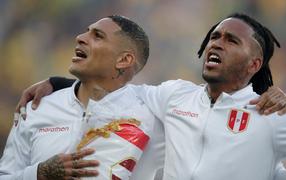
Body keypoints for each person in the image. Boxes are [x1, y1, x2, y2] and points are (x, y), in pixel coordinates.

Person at [11, 13, 286, 180]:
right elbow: (118, 91)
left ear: (254, 64)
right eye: (214, 36)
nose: (216, 43)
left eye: (231, 40)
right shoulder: (175, 96)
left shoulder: (269, 112)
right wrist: (58, 83)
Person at [0, 15, 165, 180]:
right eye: (87, 32)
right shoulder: (37, 108)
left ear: (123, 60)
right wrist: (39, 173)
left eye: (98, 36)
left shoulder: (152, 119)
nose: (80, 38)